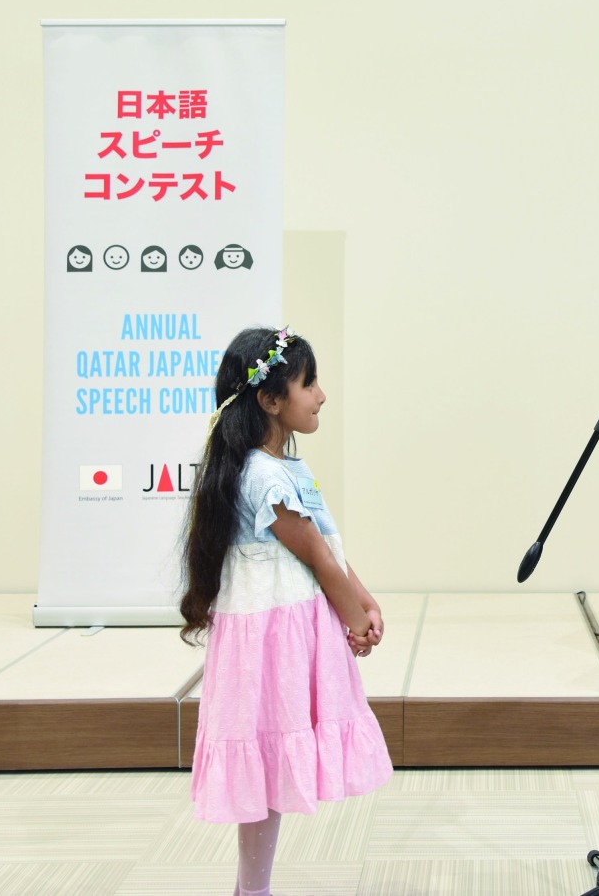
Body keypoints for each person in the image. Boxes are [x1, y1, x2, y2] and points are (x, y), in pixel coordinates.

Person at [180, 326, 393, 896]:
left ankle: (254, 888)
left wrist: (363, 599)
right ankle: (252, 890)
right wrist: (355, 617)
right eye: (309, 382)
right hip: (273, 645)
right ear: (270, 401)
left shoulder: (279, 467)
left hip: (282, 634)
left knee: (268, 769)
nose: (321, 395)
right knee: (265, 766)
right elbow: (317, 558)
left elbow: (326, 547)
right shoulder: (266, 475)